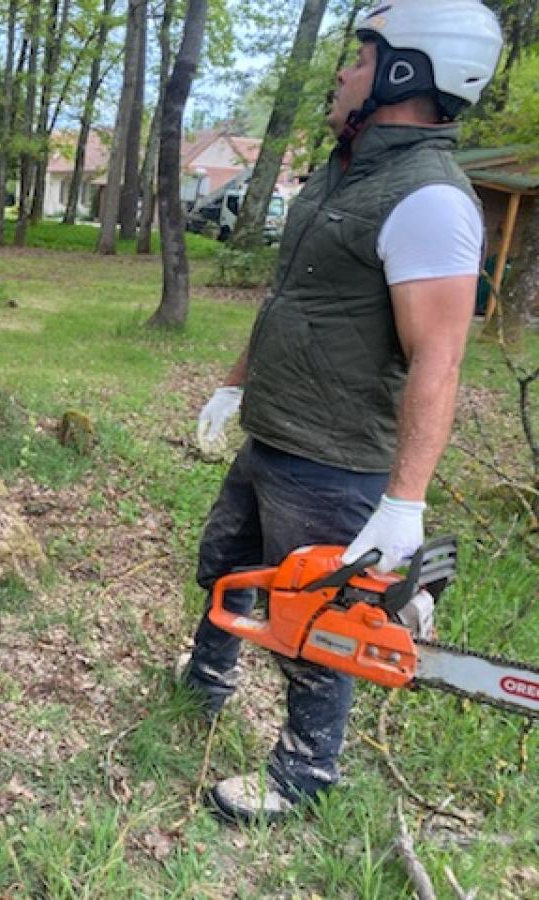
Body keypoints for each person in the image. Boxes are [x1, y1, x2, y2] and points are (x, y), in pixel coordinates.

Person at [180, 0, 504, 824]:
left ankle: (303, 770)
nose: (343, 72)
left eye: (360, 59)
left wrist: (404, 502)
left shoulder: (430, 200)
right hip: (274, 431)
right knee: (226, 563)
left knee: (316, 623)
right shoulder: (341, 173)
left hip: (334, 458)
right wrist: (234, 385)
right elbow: (294, 301)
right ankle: (208, 677)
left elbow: (439, 360)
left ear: (405, 73)